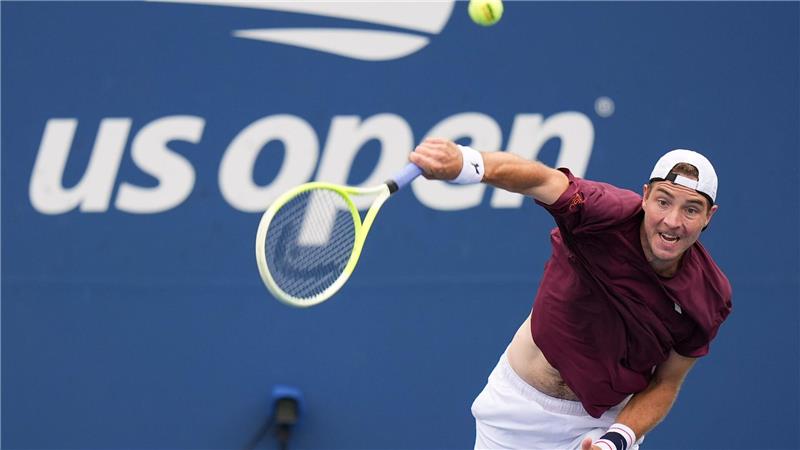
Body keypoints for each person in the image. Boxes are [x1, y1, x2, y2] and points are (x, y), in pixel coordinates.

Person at [409, 138, 732, 450]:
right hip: (517, 412)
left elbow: (666, 383)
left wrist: (615, 440)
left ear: (709, 216)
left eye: (691, 210)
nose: (672, 221)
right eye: (663, 201)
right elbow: (539, 179)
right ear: (645, 197)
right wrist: (468, 163)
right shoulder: (601, 213)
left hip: (604, 425)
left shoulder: (709, 297)